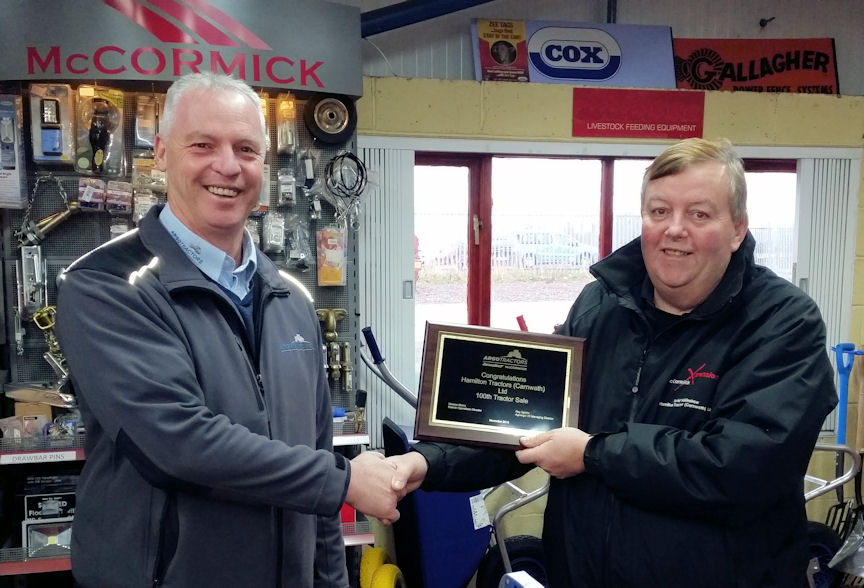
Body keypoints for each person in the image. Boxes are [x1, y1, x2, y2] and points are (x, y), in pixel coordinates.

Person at [388, 138, 837, 587]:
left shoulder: (782, 322)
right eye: (659, 211)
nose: (674, 229)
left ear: (737, 228)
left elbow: (743, 469)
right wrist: (425, 463)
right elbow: (525, 419)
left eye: (699, 214)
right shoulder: (600, 306)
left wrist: (592, 453)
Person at [55, 73, 402, 588]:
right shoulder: (106, 286)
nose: (227, 166)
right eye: (203, 145)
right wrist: (344, 481)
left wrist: (330, 579)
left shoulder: (291, 298)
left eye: (245, 149)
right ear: (165, 153)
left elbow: (317, 463)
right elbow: (178, 443)